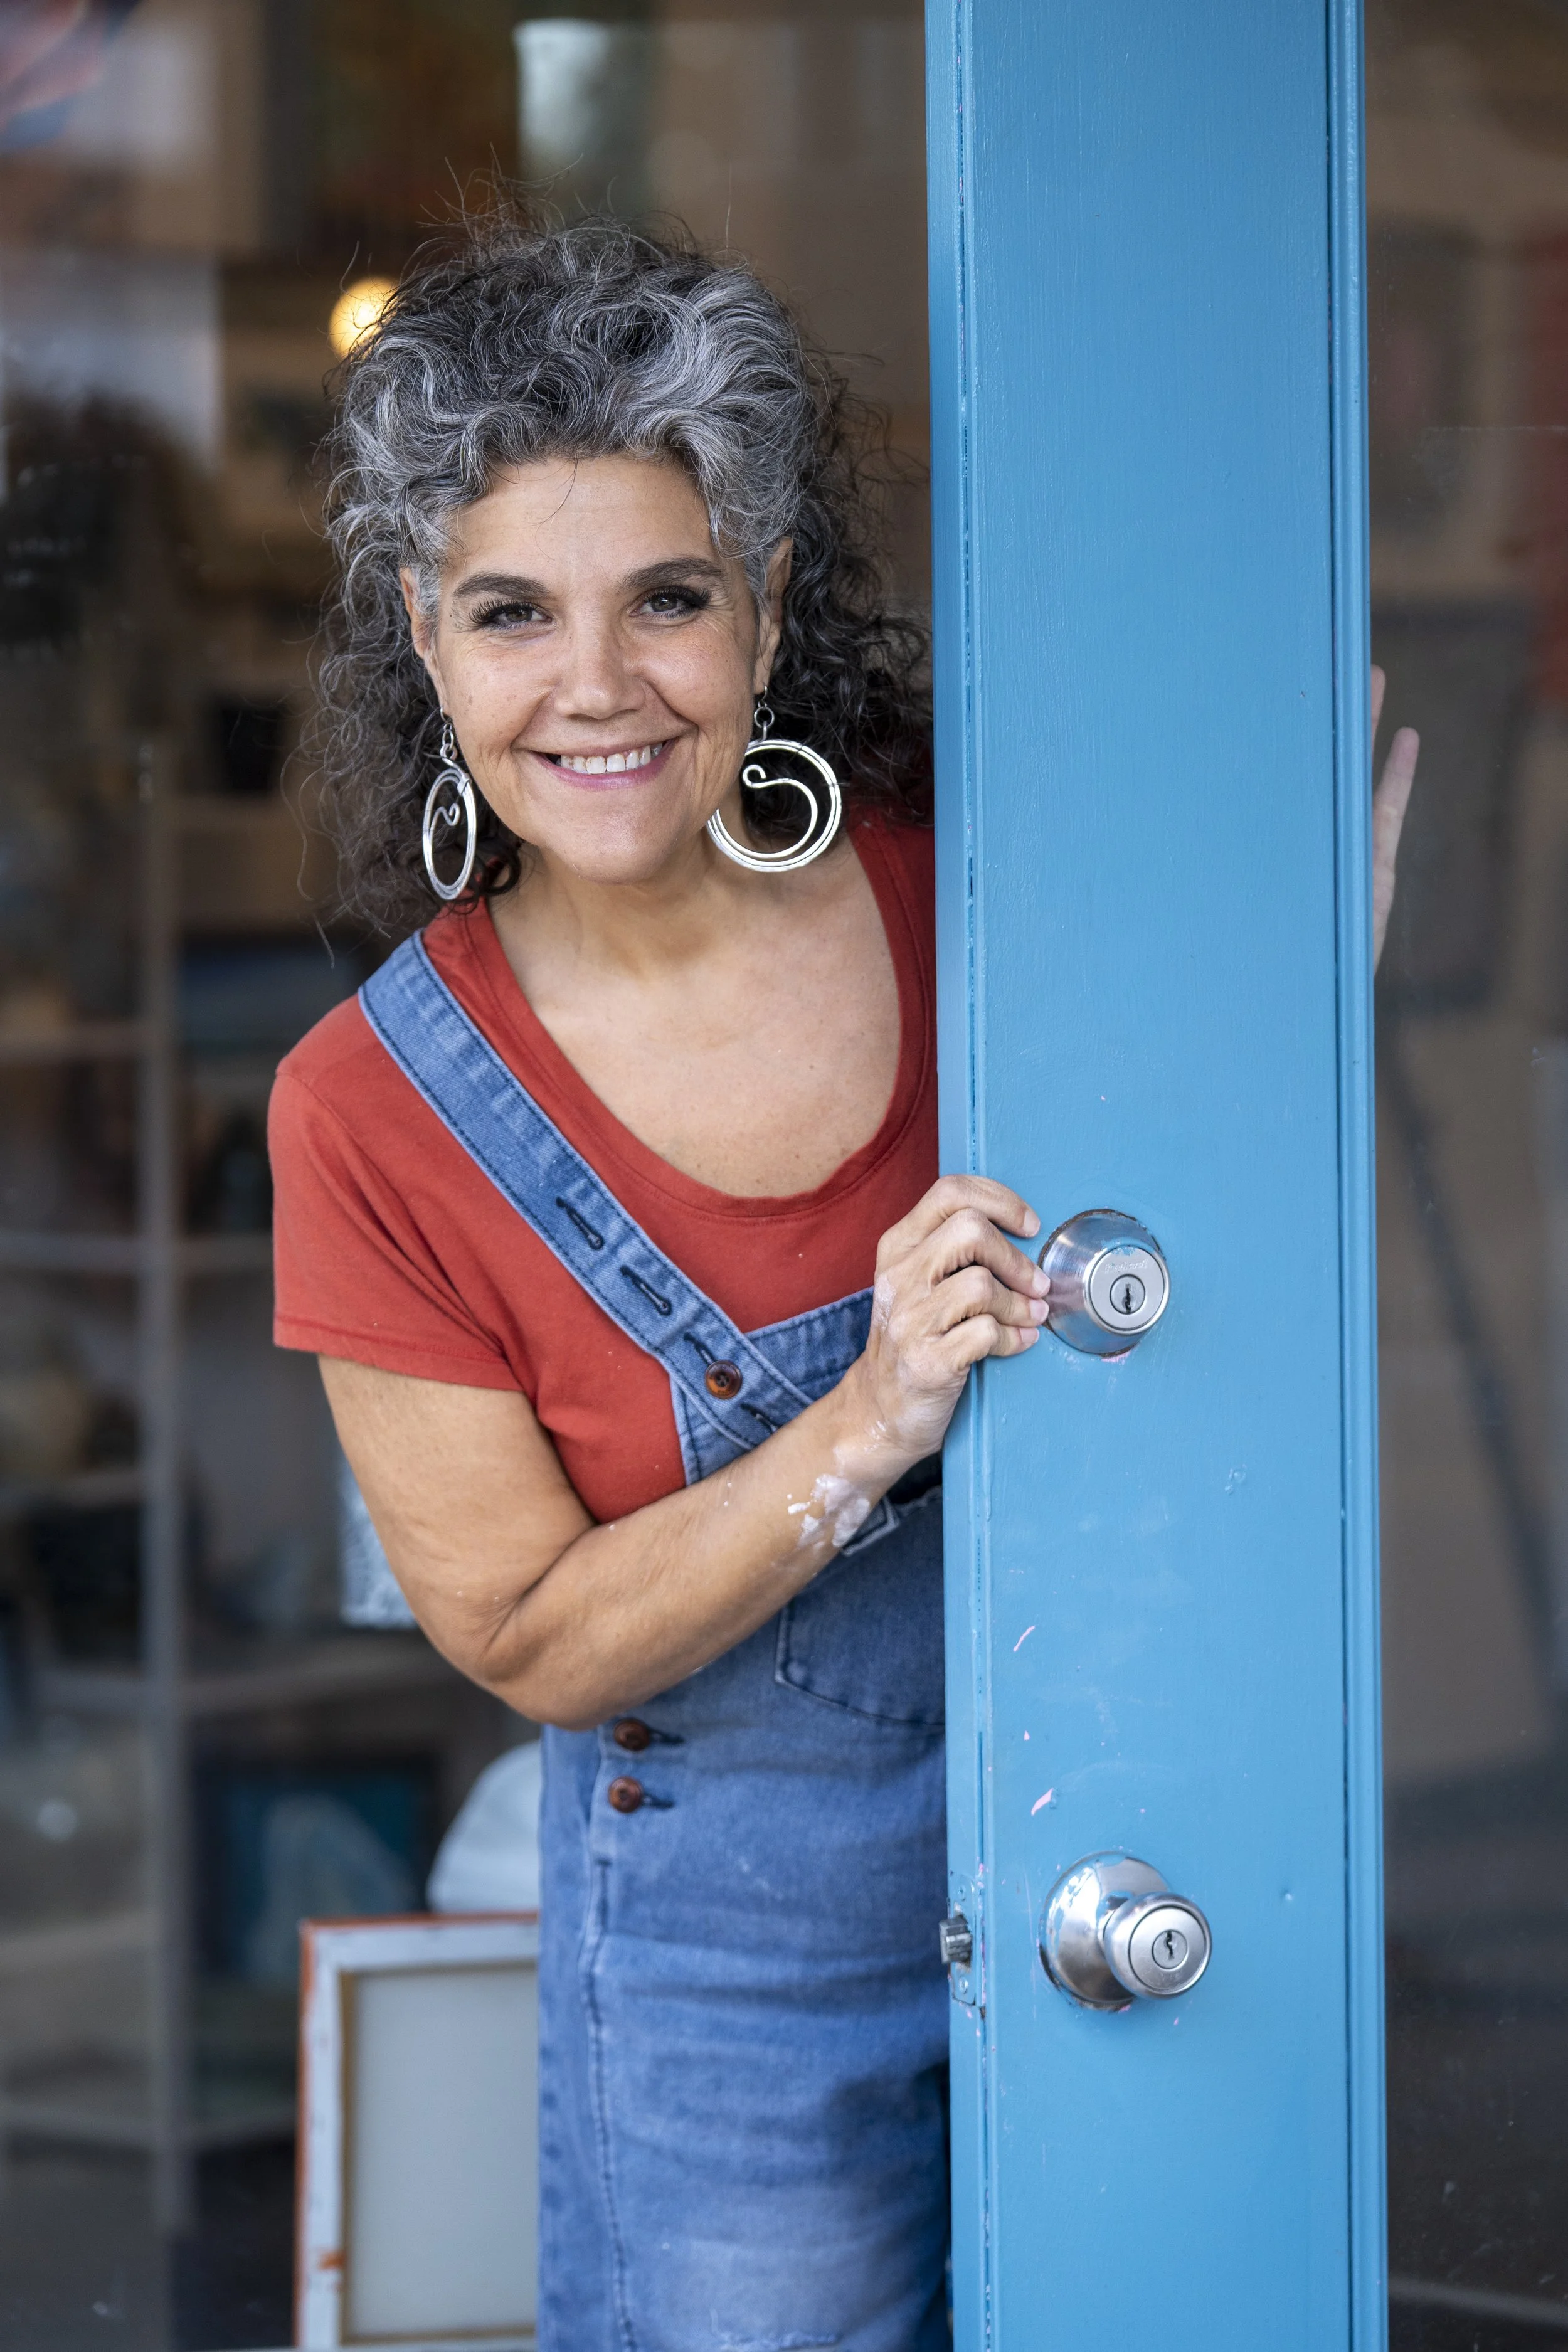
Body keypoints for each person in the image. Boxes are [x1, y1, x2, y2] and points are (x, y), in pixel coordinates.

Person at [269, 206, 1417, 2352]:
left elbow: (1187, 1277)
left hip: (1135, 1820)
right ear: (425, 636)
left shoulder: (975, 891)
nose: (595, 684)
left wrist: (1280, 1049)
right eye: (512, 611)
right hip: (732, 1958)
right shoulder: (370, 1114)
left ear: (770, 604)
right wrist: (867, 1418)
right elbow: (527, 1631)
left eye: (668, 596)